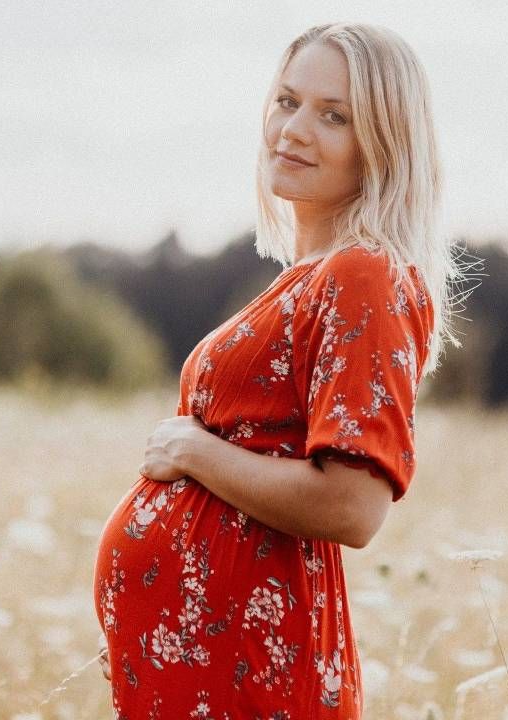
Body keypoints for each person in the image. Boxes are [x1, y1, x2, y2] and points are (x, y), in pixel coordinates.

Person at [93, 21, 466, 718]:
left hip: (254, 682)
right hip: (207, 676)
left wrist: (195, 452)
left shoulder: (364, 276)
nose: (294, 130)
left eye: (334, 116)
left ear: (383, 144)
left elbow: (353, 507)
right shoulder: (314, 276)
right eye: (288, 101)